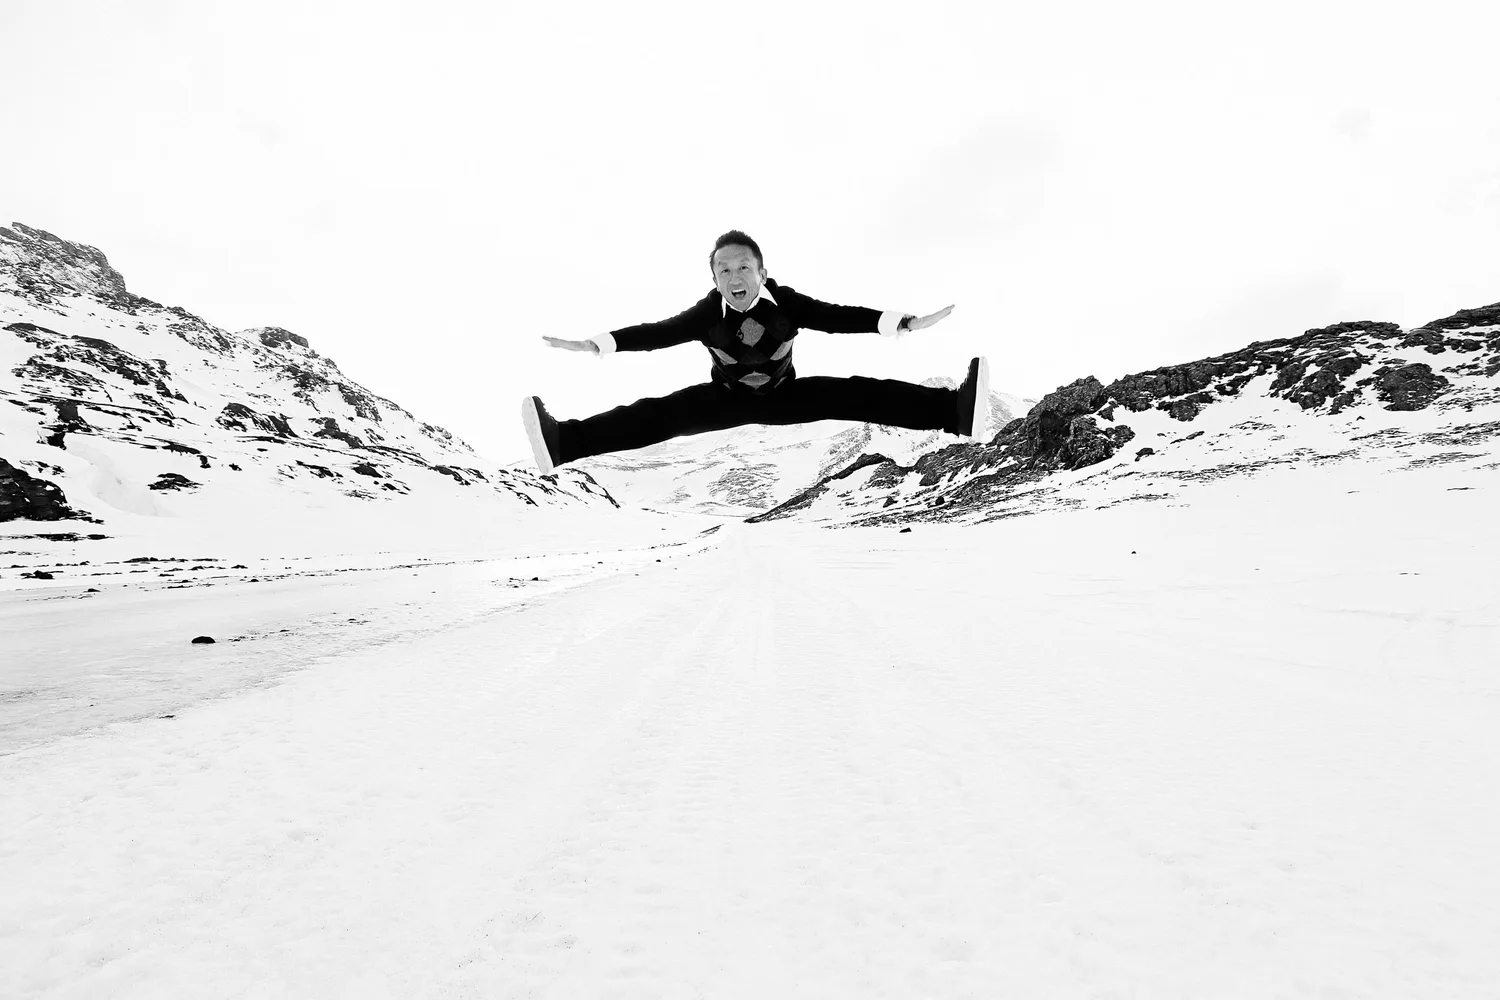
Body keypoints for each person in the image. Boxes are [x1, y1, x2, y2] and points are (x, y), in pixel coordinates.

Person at [521, 230, 988, 475]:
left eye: (744, 265)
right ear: (715, 280)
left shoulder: (787, 303)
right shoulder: (706, 314)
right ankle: (563, 443)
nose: (734, 275)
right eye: (723, 269)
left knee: (861, 392)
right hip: (724, 399)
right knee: (655, 414)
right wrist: (596, 344)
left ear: (762, 272)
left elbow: (839, 316)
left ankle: (957, 411)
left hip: (788, 395)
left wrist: (902, 321)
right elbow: (656, 333)